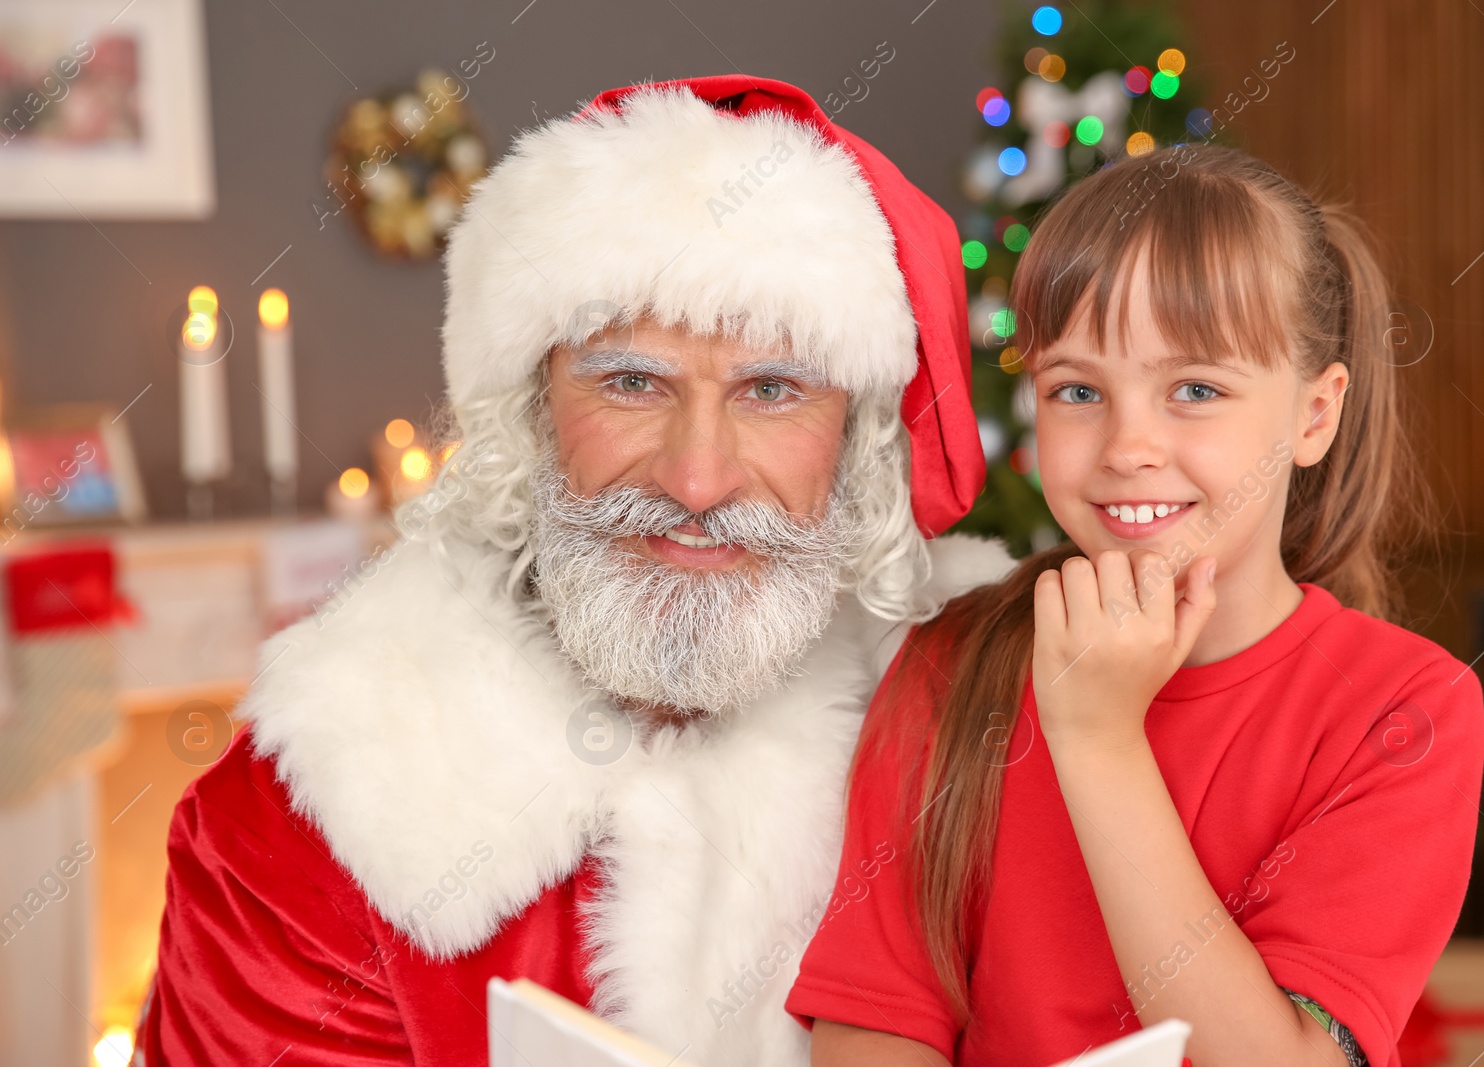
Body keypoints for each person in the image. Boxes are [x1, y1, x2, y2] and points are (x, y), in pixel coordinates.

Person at [134, 76, 1016, 1067]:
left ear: (855, 444)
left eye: (772, 389)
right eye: (630, 381)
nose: (696, 478)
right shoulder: (311, 821)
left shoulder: (991, 738)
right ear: (532, 410)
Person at [787, 145, 1484, 1067]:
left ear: (1314, 416)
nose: (1128, 445)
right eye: (1077, 390)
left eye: (1195, 390)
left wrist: (1099, 739)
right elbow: (876, 1025)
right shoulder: (947, 666)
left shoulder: (1403, 707)